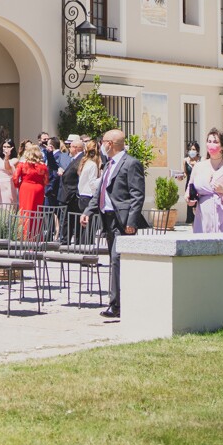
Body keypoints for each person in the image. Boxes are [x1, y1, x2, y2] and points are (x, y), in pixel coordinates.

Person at [81, 130, 148, 320]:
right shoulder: (109, 164)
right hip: (107, 219)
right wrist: (88, 212)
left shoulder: (131, 163)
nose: (101, 145)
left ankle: (116, 304)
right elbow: (100, 192)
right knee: (114, 260)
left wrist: (131, 222)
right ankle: (118, 301)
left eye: (103, 142)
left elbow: (137, 195)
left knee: (117, 260)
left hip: (122, 220)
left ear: (110, 143)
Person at [178, 142, 199, 225]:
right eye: (190, 149)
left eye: (193, 149)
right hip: (190, 185)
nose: (191, 151)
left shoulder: (201, 160)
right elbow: (185, 173)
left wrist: (196, 165)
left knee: (198, 204)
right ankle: (191, 222)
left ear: (197, 151)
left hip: (198, 184)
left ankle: (199, 222)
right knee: (191, 204)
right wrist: (180, 177)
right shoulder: (185, 161)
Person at [0, 138, 17, 206]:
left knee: (7, 206)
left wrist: (6, 157)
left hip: (8, 186)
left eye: (8, 147)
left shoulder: (15, 159)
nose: (6, 148)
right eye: (4, 146)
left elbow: (7, 168)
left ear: (12, 148)